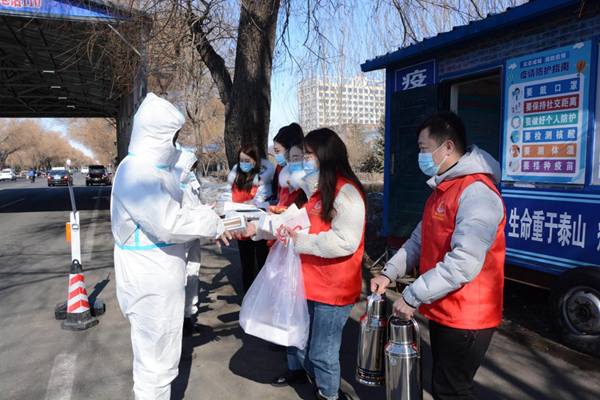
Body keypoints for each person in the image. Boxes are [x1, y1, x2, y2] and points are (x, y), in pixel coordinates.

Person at [370, 111, 506, 400]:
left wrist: (412, 295)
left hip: (468, 314)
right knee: (444, 385)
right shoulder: (442, 189)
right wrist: (388, 273)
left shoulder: (477, 193)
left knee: (452, 390)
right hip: (445, 306)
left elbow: (463, 263)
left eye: (423, 148)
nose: (420, 155)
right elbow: (418, 241)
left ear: (447, 147)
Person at [111, 93, 231, 400]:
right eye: (172, 137)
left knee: (156, 358)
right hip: (150, 280)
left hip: (156, 277)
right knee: (156, 365)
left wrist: (205, 216)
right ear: (157, 135)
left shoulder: (149, 169)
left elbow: (175, 210)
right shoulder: (137, 171)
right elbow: (168, 222)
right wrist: (210, 222)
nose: (175, 145)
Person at [242, 128, 366, 400]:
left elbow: (346, 241)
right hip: (308, 283)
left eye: (308, 155)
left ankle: (329, 395)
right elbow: (291, 222)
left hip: (334, 289)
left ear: (326, 155)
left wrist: (302, 242)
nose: (303, 161)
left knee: (322, 352)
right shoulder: (315, 192)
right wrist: (260, 228)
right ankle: (323, 387)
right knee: (301, 346)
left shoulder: (346, 192)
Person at [217, 143, 275, 293]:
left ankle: (263, 295)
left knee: (263, 262)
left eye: (247, 160)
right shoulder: (235, 178)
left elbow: (262, 198)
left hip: (258, 226)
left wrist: (253, 204)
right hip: (240, 226)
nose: (244, 164)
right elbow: (227, 196)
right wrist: (220, 205)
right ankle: (248, 295)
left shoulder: (262, 178)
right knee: (246, 264)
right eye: (241, 160)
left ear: (255, 161)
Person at [171, 148, 207, 337]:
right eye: (190, 168)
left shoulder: (192, 185)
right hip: (181, 241)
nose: (192, 172)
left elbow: (197, 206)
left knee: (193, 274)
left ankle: (188, 316)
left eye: (194, 168)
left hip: (194, 239)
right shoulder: (173, 188)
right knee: (179, 278)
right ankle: (176, 319)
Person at [271, 123, 304, 205]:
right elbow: (276, 195)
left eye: (278, 151)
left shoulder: (304, 174)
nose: (276, 155)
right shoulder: (281, 170)